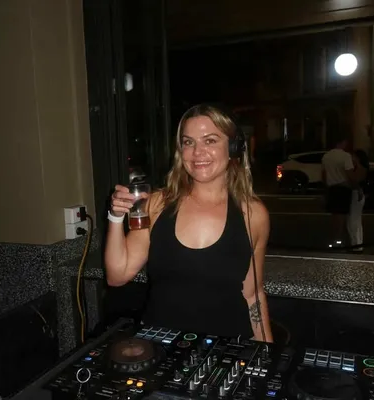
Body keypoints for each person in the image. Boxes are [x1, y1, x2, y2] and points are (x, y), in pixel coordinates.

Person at [105, 104, 273, 342]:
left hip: (227, 348)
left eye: (210, 141)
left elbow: (253, 294)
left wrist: (266, 354)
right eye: (188, 142)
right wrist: (115, 216)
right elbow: (117, 275)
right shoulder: (157, 204)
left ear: (233, 148)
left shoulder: (253, 214)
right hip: (161, 346)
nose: (197, 152)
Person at [321, 137, 356, 247]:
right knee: (342, 216)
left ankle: (334, 239)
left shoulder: (326, 156)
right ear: (342, 142)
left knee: (335, 215)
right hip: (343, 188)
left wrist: (326, 187)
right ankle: (338, 240)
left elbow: (324, 174)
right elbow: (350, 173)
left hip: (332, 188)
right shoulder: (345, 156)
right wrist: (356, 186)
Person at [347, 149, 369, 252]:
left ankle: (356, 244)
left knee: (353, 220)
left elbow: (354, 181)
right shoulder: (362, 168)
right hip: (358, 194)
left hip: (356, 193)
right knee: (356, 220)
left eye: (354, 157)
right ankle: (358, 243)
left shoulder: (359, 169)